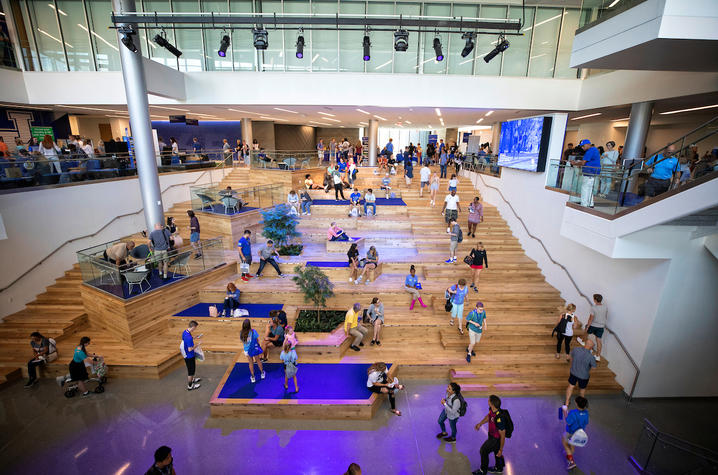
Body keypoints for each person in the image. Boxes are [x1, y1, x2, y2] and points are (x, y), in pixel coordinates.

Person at [473, 395, 507, 475]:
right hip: (491, 435)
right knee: (496, 452)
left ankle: (482, 471)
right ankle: (499, 468)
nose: (487, 401)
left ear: (491, 403)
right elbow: (488, 417)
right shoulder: (492, 410)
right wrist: (480, 424)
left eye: (489, 400)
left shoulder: (499, 418)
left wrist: (501, 449)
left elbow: (503, 435)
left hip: (495, 439)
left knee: (483, 451)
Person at [565, 339, 597, 407]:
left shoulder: (576, 349)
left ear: (585, 343)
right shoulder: (591, 357)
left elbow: (570, 358)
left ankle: (567, 402)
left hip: (573, 372)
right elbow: (594, 368)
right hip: (584, 376)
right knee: (582, 390)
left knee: (570, 386)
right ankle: (580, 405)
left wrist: (573, 365)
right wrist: (588, 371)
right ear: (591, 348)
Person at [561, 396, 589, 470]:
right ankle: (569, 454)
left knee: (564, 443)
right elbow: (586, 422)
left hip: (570, 432)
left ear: (577, 404)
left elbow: (568, 422)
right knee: (572, 445)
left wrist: (564, 411)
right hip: (579, 434)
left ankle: (571, 461)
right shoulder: (586, 413)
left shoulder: (573, 412)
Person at [571, 139, 601, 208]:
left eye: (583, 146)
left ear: (588, 144)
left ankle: (584, 204)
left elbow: (583, 162)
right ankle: (590, 203)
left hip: (590, 172)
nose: (582, 148)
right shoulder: (594, 149)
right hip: (592, 172)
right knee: (589, 189)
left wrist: (574, 163)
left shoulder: (590, 151)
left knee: (585, 188)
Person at [240, 319, 265, 383]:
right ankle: (262, 373)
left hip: (247, 350)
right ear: (249, 325)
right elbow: (257, 339)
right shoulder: (253, 331)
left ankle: (253, 377)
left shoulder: (241, 333)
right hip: (254, 349)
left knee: (251, 363)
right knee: (258, 360)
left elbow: (243, 341)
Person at [584, 294, 607, 361]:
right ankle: (598, 356)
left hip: (593, 325)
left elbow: (591, 318)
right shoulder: (605, 307)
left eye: (593, 298)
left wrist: (587, 326)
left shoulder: (593, 308)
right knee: (598, 340)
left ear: (595, 300)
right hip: (601, 326)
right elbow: (606, 316)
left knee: (586, 334)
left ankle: (585, 346)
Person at [180, 321, 201, 390]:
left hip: (186, 354)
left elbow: (186, 340)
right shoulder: (189, 337)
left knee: (191, 370)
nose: (195, 329)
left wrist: (195, 337)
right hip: (189, 356)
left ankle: (192, 379)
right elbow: (190, 349)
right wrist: (197, 345)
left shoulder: (185, 332)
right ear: (193, 327)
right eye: (195, 328)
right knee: (191, 371)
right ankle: (190, 386)